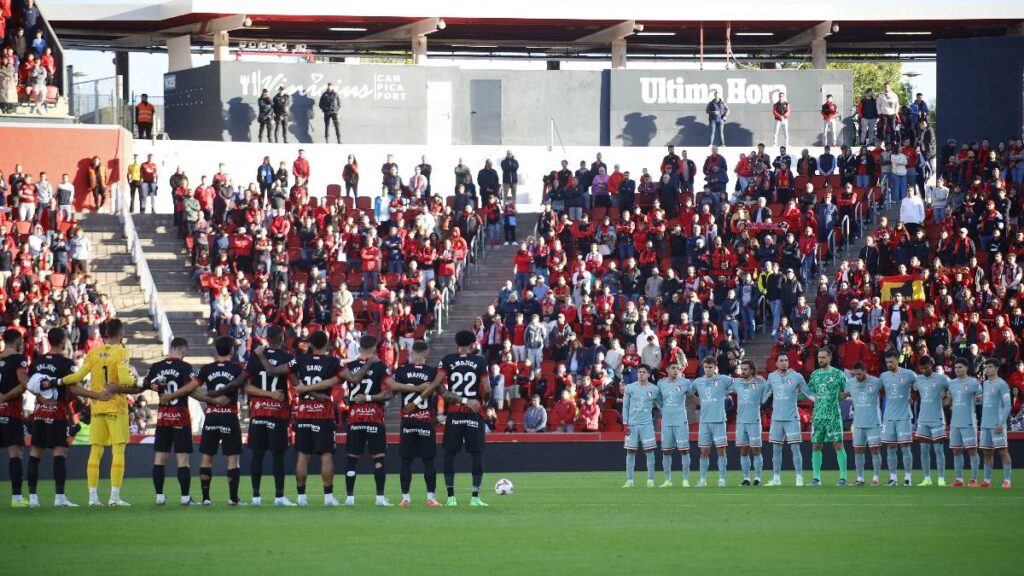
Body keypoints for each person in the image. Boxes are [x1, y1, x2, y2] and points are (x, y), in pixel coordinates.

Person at [256, 332, 380, 505]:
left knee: (302, 455)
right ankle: (328, 497)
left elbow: (272, 370)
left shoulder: (299, 360)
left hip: (304, 411)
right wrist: (368, 363)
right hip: (323, 413)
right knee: (326, 455)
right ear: (327, 343)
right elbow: (355, 378)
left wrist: (261, 354)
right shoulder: (333, 361)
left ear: (310, 344)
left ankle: (301, 497)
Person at [58, 319, 139, 506]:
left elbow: (77, 377)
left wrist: (59, 382)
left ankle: (93, 498)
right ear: (121, 332)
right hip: (116, 407)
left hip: (97, 408)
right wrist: (139, 383)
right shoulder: (122, 352)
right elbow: (126, 378)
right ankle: (114, 497)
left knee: (95, 452)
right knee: (118, 451)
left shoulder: (93, 352)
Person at [25, 328, 109, 507]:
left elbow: (31, 385)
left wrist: (42, 400)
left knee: (35, 453)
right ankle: (59, 498)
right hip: (57, 412)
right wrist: (95, 395)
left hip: (40, 412)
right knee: (60, 452)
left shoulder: (38, 361)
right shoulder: (65, 363)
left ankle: (33, 498)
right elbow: (72, 388)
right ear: (63, 341)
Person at [420, 330, 491, 506]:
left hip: (455, 412)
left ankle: (451, 497)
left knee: (450, 454)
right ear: (473, 343)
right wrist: (483, 402)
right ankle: (475, 497)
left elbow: (437, 385)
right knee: (476, 455)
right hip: (474, 413)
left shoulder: (448, 360)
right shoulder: (480, 361)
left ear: (457, 343)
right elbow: (487, 389)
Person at [143, 337, 200, 506]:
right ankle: (185, 498)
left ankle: (159, 497)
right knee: (182, 459)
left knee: (160, 457)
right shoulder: (185, 367)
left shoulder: (156, 367)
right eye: (186, 352)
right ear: (183, 349)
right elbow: (192, 387)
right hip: (180, 416)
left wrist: (155, 386)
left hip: (163, 417)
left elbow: (146, 383)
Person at [190, 336, 244, 505]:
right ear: (231, 350)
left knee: (207, 457)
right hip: (229, 415)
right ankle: (233, 498)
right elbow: (247, 387)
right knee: (232, 459)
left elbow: (190, 389)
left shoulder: (206, 369)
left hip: (212, 416)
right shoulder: (237, 369)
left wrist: (210, 399)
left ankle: (206, 498)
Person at [392, 341, 440, 507]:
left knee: (406, 461)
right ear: (426, 353)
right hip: (426, 420)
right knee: (429, 461)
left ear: (411, 353)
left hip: (407, 421)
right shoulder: (432, 372)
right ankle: (431, 498)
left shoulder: (401, 371)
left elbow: (392, 390)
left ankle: (405, 498)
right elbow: (437, 390)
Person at [806, 347, 849, 486]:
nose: (820, 360)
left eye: (823, 357)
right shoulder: (814, 375)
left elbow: (848, 389)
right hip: (818, 415)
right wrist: (792, 396)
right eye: (819, 357)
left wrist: (844, 395)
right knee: (816, 446)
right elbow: (808, 392)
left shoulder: (838, 374)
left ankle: (843, 478)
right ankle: (816, 478)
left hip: (833, 415)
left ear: (830, 358)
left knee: (838, 445)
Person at [765, 354, 810, 486]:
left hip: (792, 418)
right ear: (776, 363)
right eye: (781, 361)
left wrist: (819, 400)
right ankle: (776, 479)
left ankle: (799, 478)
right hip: (777, 419)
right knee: (776, 449)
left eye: (786, 360)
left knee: (795, 448)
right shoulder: (771, 377)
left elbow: (807, 392)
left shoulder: (797, 376)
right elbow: (765, 394)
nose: (784, 363)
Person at [0, 329, 30, 507]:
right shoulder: (19, 359)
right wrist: (4, 397)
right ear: (17, 340)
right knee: (15, 454)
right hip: (10, 412)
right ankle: (17, 498)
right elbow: (23, 384)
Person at [692, 356, 732, 487]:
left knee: (721, 450)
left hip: (719, 420)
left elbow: (737, 384)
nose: (708, 369)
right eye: (706, 367)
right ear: (703, 367)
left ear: (715, 368)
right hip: (704, 421)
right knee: (704, 451)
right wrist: (701, 403)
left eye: (710, 367)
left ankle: (722, 479)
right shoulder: (698, 382)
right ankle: (702, 480)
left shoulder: (723, 379)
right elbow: (690, 393)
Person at [911, 356, 950, 486]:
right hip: (923, 419)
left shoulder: (941, 378)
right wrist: (910, 398)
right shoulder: (918, 380)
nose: (923, 370)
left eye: (926, 368)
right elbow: (913, 392)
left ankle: (941, 479)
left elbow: (954, 387)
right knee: (924, 450)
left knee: (938, 450)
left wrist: (948, 399)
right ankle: (926, 478)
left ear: (931, 365)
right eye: (921, 368)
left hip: (937, 419)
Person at [879, 351, 916, 486]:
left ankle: (908, 478)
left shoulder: (909, 374)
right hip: (888, 417)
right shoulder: (883, 376)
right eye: (887, 362)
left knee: (905, 447)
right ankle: (893, 478)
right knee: (890, 448)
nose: (889, 364)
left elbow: (919, 387)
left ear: (897, 360)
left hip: (904, 416)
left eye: (892, 362)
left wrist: (913, 397)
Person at [843, 362, 883, 486]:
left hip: (873, 422)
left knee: (875, 450)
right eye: (855, 374)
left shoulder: (876, 382)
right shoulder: (851, 383)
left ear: (865, 371)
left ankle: (876, 478)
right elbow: (844, 395)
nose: (857, 376)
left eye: (859, 374)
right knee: (858, 451)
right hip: (858, 423)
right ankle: (860, 478)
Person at [621, 365, 661, 488]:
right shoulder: (630, 388)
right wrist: (625, 423)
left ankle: (650, 480)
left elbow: (661, 404)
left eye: (644, 372)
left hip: (647, 424)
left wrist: (663, 417)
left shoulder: (654, 389)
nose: (641, 374)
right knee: (630, 451)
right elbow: (625, 406)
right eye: (639, 372)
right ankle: (630, 480)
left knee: (649, 451)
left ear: (648, 375)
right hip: (632, 424)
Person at [732, 360, 770, 486]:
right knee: (743, 450)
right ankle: (746, 478)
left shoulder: (760, 382)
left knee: (756, 450)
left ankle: (758, 478)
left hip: (754, 421)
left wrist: (763, 399)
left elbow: (771, 387)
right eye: (742, 369)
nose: (743, 371)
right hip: (741, 422)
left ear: (752, 370)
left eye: (746, 369)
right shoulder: (737, 383)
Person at [655, 361, 693, 487]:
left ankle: (685, 479)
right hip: (666, 422)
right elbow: (658, 400)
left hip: (681, 420)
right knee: (666, 451)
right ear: (667, 370)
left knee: (684, 450)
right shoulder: (661, 383)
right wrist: (663, 408)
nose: (676, 370)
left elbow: (692, 396)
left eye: (677, 368)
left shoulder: (685, 382)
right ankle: (667, 480)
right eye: (673, 368)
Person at [947, 357, 982, 487]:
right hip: (955, 421)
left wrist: (982, 396)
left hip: (969, 421)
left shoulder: (974, 382)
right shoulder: (952, 383)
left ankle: (974, 480)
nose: (957, 369)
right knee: (956, 451)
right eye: (956, 367)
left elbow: (980, 401)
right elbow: (948, 402)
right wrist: (940, 399)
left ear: (966, 368)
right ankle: (959, 479)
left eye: (960, 367)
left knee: (972, 450)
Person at [979, 358, 1013, 488]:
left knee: (1003, 451)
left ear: (997, 368)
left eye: (990, 367)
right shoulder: (985, 384)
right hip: (985, 424)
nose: (987, 369)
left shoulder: (1002, 384)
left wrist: (1001, 422)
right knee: (987, 452)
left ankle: (1007, 481)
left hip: (997, 424)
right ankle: (987, 481)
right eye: (986, 367)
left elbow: (1008, 405)